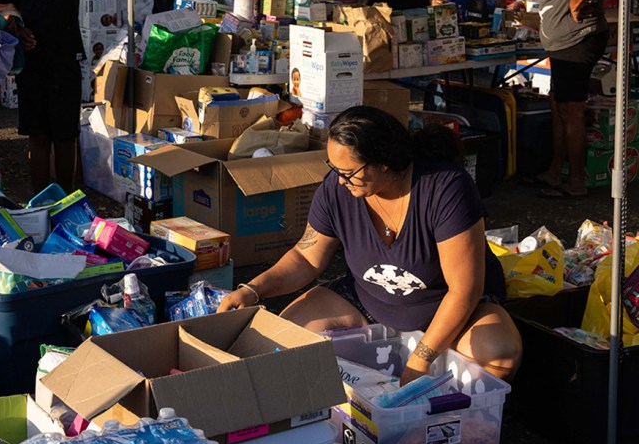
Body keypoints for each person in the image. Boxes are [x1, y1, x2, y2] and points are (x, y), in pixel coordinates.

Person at [217, 106, 521, 384]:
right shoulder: (338, 189)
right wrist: (252, 289)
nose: (339, 180)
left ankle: (461, 416)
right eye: (333, 168)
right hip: (370, 298)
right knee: (282, 340)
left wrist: (420, 359)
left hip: (445, 306)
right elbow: (306, 257)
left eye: (348, 172)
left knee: (498, 353)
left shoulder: (446, 188)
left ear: (385, 163)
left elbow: (463, 290)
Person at [0, 0, 108, 195]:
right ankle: (40, 200)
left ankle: (66, 199)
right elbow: (5, 12)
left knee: (65, 137)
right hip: (31, 67)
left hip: (64, 63)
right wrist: (17, 30)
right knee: (37, 137)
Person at [526, 0, 608, 199]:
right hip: (566, 44)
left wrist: (575, 5)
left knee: (571, 111)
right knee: (559, 106)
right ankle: (555, 171)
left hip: (575, 42)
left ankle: (575, 182)